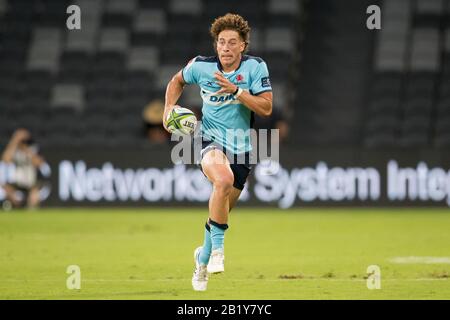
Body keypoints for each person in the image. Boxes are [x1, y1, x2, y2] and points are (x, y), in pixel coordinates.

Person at [163, 13, 273, 291]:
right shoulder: (200, 67)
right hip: (208, 137)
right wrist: (167, 110)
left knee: (221, 209)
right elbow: (176, 81)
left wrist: (237, 91)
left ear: (243, 45)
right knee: (221, 180)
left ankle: (201, 259)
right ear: (216, 45)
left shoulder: (255, 68)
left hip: (242, 147)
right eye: (221, 42)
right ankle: (218, 254)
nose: (225, 47)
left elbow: (266, 108)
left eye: (232, 42)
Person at [1, 129, 48, 210]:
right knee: (5, 187)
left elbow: (39, 163)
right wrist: (15, 140)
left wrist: (26, 149)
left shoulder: (34, 148)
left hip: (31, 184)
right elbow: (6, 160)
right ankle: (15, 206)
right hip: (18, 183)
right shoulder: (14, 150)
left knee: (34, 196)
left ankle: (30, 211)